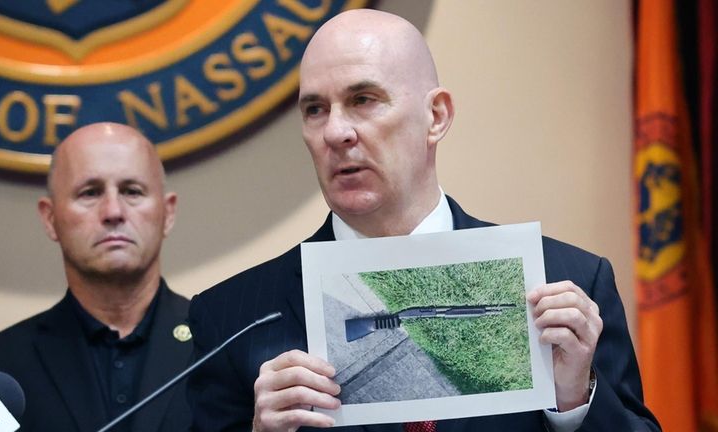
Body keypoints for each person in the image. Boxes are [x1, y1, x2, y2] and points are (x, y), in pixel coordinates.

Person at [186, 9, 659, 432]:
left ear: (436, 116)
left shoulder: (569, 281)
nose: (335, 131)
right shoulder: (233, 319)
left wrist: (573, 401)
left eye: (364, 99)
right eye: (315, 109)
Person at [0, 123, 192, 432]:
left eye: (132, 191)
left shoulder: (224, 348)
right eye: (90, 193)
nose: (113, 211)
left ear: (168, 213)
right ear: (50, 219)